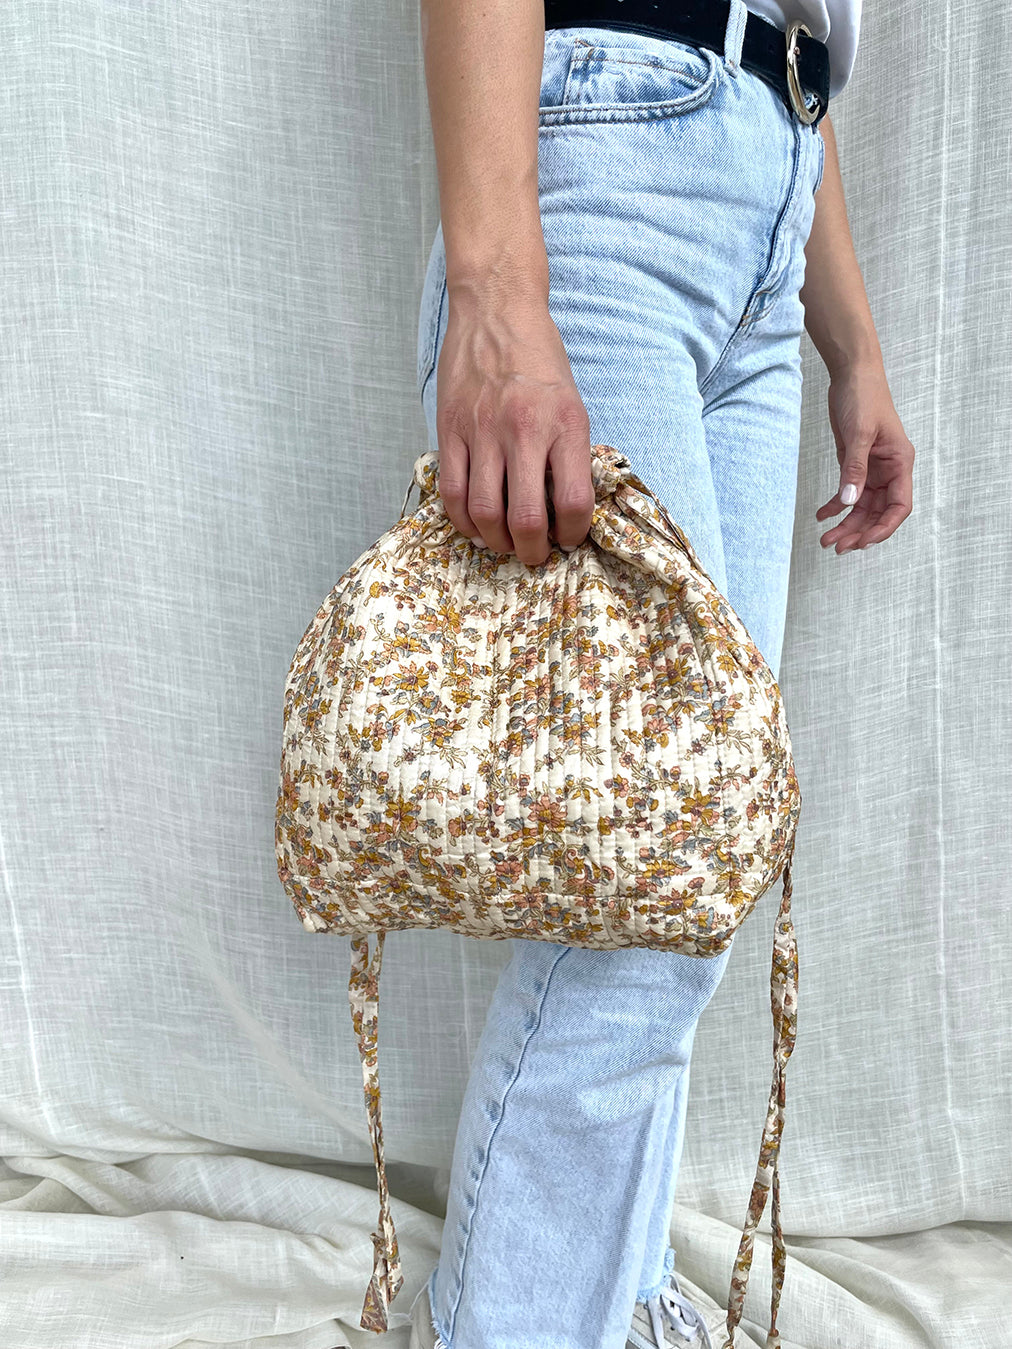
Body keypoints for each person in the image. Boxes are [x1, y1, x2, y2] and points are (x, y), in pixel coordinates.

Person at [409, 2, 915, 1347]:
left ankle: (614, 1300)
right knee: (644, 888)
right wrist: (496, 295)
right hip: (613, 166)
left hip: (772, 187)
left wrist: (852, 344)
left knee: (692, 876)